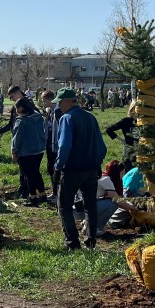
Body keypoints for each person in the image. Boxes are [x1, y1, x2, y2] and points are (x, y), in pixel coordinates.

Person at [53, 87, 107, 250]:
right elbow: (102, 147)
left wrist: (58, 167)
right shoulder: (90, 117)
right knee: (90, 205)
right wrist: (97, 163)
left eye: (60, 102)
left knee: (64, 206)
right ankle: (91, 240)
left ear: (68, 101)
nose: (59, 106)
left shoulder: (67, 118)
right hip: (91, 169)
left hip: (72, 170)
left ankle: (72, 242)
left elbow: (64, 146)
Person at [73, 160, 136, 237]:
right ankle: (93, 228)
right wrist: (133, 208)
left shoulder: (102, 175)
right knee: (112, 204)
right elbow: (117, 200)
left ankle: (87, 222)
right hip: (79, 209)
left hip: (76, 207)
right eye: (123, 173)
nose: (123, 175)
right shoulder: (106, 180)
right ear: (118, 173)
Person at [11, 98, 47, 206]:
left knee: (28, 175)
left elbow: (17, 138)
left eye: (16, 108)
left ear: (21, 108)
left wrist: (14, 151)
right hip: (39, 149)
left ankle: (33, 198)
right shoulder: (38, 117)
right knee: (36, 172)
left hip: (26, 151)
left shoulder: (21, 120)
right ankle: (43, 194)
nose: (16, 110)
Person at [0, 85, 30, 198]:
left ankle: (27, 191)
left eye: (11, 97)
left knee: (26, 169)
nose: (11, 100)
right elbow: (11, 124)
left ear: (18, 93)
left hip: (25, 141)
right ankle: (22, 189)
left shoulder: (28, 105)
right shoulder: (16, 106)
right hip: (17, 139)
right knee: (21, 168)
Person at [41, 90, 63, 203]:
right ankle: (55, 191)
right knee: (50, 168)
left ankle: (59, 193)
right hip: (50, 144)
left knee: (57, 169)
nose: (43, 103)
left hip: (57, 145)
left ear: (50, 100)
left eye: (44, 101)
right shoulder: (49, 111)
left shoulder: (59, 111)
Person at [104, 100, 138, 170]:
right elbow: (109, 130)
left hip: (141, 151)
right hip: (129, 151)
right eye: (138, 107)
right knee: (128, 171)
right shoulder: (126, 121)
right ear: (133, 109)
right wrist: (122, 140)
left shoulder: (143, 122)